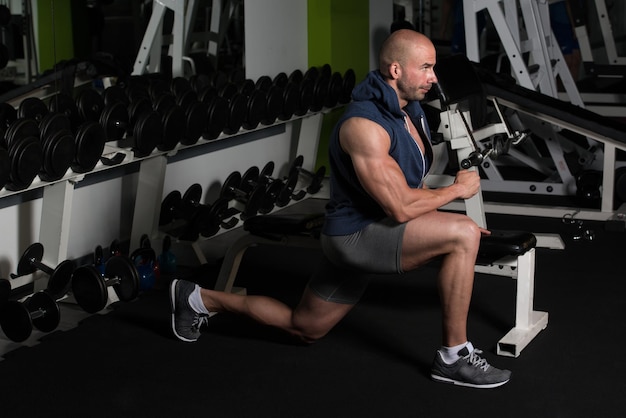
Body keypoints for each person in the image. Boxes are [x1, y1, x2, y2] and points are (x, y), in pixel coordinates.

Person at [170, 29, 511, 389]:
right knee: (463, 234)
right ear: (396, 70)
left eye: (433, 67)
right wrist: (457, 197)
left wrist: (441, 224)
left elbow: (410, 186)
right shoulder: (364, 126)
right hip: (354, 237)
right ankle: (453, 357)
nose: (433, 77)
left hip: (374, 228)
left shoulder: (412, 113)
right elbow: (399, 206)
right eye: (425, 67)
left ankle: (198, 299)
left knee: (304, 327)